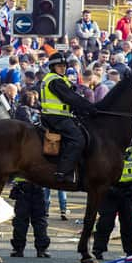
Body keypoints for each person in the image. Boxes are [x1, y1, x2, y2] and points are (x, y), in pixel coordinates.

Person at [40, 52, 97, 183]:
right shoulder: (55, 80)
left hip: (58, 115)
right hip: (56, 117)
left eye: (64, 66)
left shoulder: (58, 79)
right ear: (53, 67)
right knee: (78, 139)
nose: (63, 68)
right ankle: (62, 172)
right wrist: (91, 108)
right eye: (59, 66)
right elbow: (71, 98)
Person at [10, 91, 51, 258]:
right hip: (26, 186)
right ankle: (24, 248)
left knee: (35, 220)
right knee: (26, 220)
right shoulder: (28, 144)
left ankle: (37, 248)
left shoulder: (29, 145)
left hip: (33, 186)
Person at [93, 141, 132, 258]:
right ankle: (98, 250)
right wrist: (108, 188)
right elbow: (99, 169)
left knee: (129, 224)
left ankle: (130, 251)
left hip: (128, 192)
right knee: (105, 222)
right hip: (110, 193)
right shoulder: (107, 147)